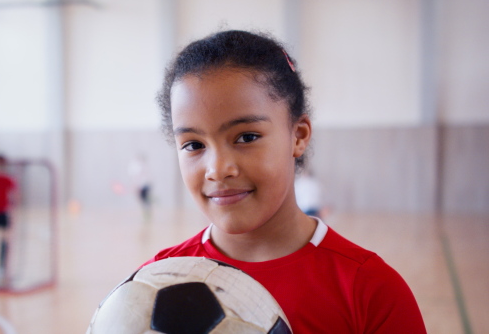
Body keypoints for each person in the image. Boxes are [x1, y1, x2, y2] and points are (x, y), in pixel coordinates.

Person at [143, 30, 426, 333]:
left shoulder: (370, 291)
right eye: (193, 145)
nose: (217, 169)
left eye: (246, 137)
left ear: (299, 135)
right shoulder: (156, 281)